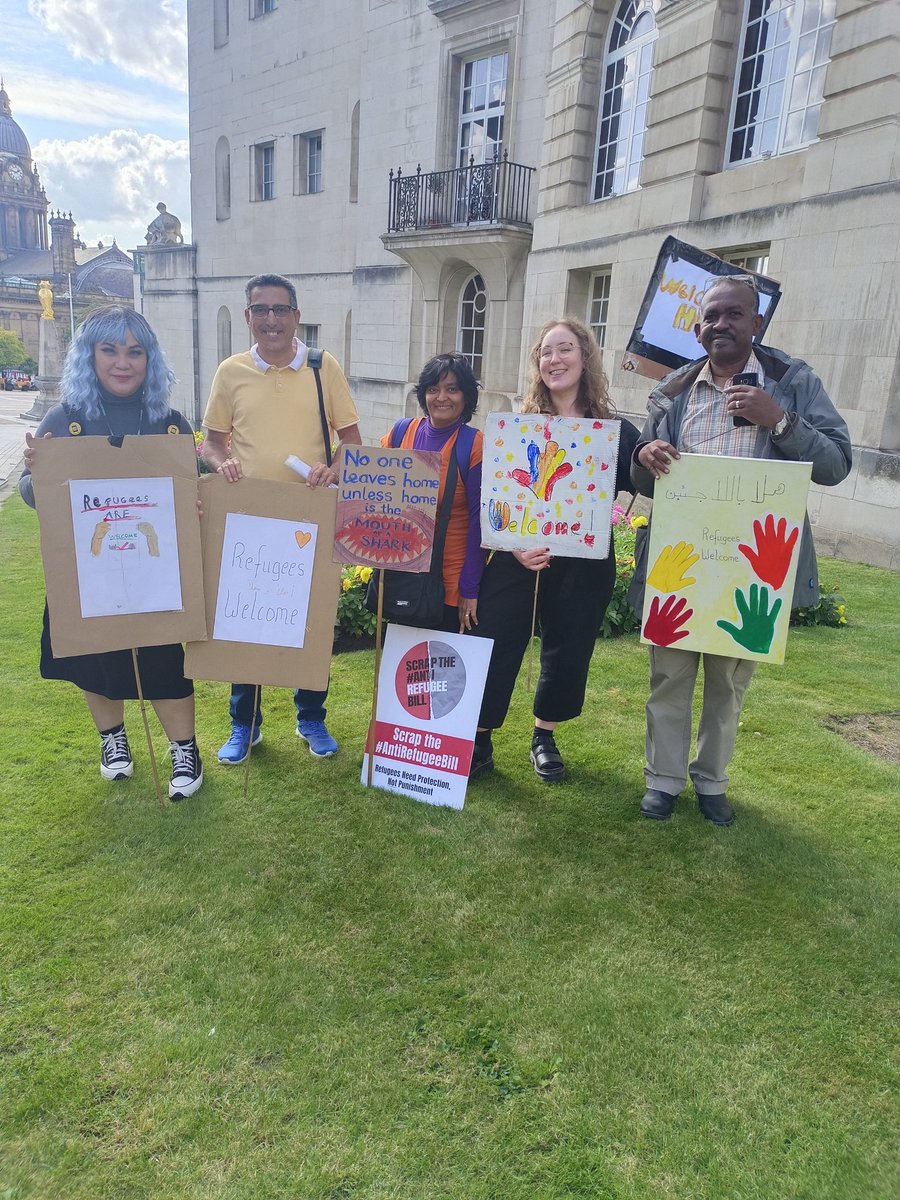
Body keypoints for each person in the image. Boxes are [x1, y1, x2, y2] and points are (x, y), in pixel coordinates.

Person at [630, 275, 852, 825]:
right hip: (682, 561)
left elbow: (836, 463)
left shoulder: (791, 383)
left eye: (734, 314)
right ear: (697, 326)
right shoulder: (676, 390)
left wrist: (778, 419)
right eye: (711, 316)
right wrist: (646, 452)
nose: (721, 324)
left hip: (751, 564)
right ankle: (663, 781)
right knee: (669, 674)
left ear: (757, 323)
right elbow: (639, 469)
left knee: (728, 682)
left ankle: (711, 782)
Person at [19, 305, 203, 800]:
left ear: (150, 359)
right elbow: (32, 494)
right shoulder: (66, 419)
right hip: (88, 572)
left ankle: (184, 749)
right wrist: (39, 474)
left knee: (164, 659)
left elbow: (192, 497)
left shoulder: (169, 422)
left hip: (157, 573)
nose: (123, 362)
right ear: (91, 356)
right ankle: (112, 740)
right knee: (93, 658)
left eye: (135, 351)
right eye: (110, 350)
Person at [468, 317, 640, 782]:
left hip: (582, 564)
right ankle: (479, 737)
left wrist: (651, 450)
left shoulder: (614, 433)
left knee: (568, 648)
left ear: (585, 359)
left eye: (564, 349)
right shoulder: (518, 427)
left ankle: (544, 735)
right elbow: (495, 497)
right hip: (519, 556)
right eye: (545, 352)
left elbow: (643, 477)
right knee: (496, 637)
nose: (554, 360)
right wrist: (514, 546)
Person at [201, 273, 361, 764]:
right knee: (245, 619)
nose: (270, 319)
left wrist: (331, 470)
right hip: (247, 518)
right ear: (248, 317)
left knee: (312, 623)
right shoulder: (230, 371)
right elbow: (211, 442)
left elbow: (351, 445)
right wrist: (219, 462)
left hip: (308, 518)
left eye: (280, 309)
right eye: (260, 310)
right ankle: (243, 724)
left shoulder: (322, 367)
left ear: (296, 315)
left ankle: (311, 716)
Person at [379, 353, 485, 634]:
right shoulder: (400, 434)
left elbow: (479, 524)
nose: (441, 397)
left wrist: (469, 589)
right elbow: (374, 496)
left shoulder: (474, 446)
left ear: (466, 397)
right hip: (401, 574)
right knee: (400, 672)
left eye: (452, 389)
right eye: (433, 389)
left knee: (440, 675)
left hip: (449, 585)